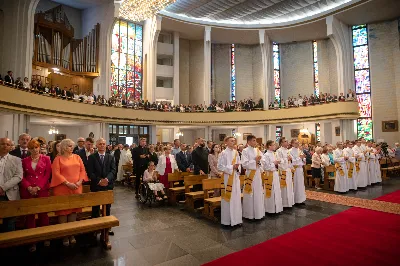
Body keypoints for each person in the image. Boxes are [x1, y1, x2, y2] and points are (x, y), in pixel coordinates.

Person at [50, 139, 88, 246]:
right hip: (62, 188)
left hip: (76, 187)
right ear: (64, 147)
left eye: (72, 146)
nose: (72, 148)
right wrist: (67, 183)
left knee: (73, 211)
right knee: (63, 212)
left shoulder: (77, 157)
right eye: (69, 146)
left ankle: (72, 234)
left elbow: (82, 170)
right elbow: (56, 173)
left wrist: (80, 181)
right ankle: (64, 235)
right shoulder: (58, 159)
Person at [20, 140, 52, 252]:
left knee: (44, 213)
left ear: (39, 148)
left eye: (36, 147)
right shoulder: (24, 161)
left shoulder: (46, 159)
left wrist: (38, 187)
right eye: (32, 148)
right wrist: (29, 187)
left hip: (42, 189)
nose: (35, 149)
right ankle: (32, 241)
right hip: (28, 191)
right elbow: (21, 176)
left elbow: (47, 174)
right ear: (29, 149)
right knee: (30, 215)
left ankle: (45, 237)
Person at [87, 138, 116, 236]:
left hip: (108, 185)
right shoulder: (92, 157)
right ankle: (95, 228)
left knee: (107, 207)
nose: (102, 145)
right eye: (100, 144)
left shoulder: (110, 157)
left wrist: (106, 180)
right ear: (97, 145)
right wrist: (99, 181)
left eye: (104, 144)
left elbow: (113, 170)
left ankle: (107, 227)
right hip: (96, 185)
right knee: (95, 208)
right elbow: (90, 172)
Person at [218, 136, 242, 227]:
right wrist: (232, 167)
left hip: (235, 177)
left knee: (236, 197)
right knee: (228, 198)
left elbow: (239, 164)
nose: (233, 142)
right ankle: (227, 221)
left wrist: (237, 167)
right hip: (227, 178)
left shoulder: (236, 152)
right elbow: (220, 167)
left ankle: (237, 220)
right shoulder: (223, 153)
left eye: (234, 141)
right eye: (231, 141)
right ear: (226, 142)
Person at [0, 138, 23, 233]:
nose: (5, 146)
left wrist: (3, 187)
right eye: (2, 144)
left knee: (9, 220)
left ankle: (10, 244)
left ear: (10, 147)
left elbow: (18, 176)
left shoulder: (16, 160)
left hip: (9, 193)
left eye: (8, 144)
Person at [241, 135, 265, 220]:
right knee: (250, 193)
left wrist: (259, 162)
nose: (256, 142)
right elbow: (244, 164)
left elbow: (263, 161)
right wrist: (255, 161)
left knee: (258, 192)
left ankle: (259, 213)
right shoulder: (245, 151)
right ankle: (249, 214)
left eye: (255, 140)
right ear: (249, 142)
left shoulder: (257, 150)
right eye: (254, 140)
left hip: (257, 174)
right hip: (250, 174)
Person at [261, 140, 283, 214]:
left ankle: (277, 208)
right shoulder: (265, 155)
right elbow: (265, 167)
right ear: (269, 146)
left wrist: (278, 163)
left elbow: (277, 164)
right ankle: (270, 209)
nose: (275, 146)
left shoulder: (274, 154)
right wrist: (274, 163)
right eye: (273, 145)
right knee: (270, 191)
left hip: (275, 174)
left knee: (276, 190)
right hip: (269, 174)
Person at [276, 137, 294, 208]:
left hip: (288, 170)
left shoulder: (288, 150)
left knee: (289, 186)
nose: (287, 142)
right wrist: (287, 159)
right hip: (283, 171)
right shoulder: (279, 151)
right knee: (284, 187)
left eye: (287, 141)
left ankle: (290, 202)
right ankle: (284, 203)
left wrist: (291, 160)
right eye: (285, 141)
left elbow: (290, 160)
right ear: (281, 143)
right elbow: (279, 161)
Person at [289, 139, 306, 204]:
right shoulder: (290, 151)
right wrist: (300, 158)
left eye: (298, 143)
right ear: (292, 144)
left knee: (301, 184)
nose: (297, 144)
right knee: (295, 184)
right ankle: (295, 200)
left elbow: (303, 159)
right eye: (296, 143)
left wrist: (303, 158)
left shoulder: (299, 150)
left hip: (300, 169)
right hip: (294, 169)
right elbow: (292, 161)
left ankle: (301, 199)